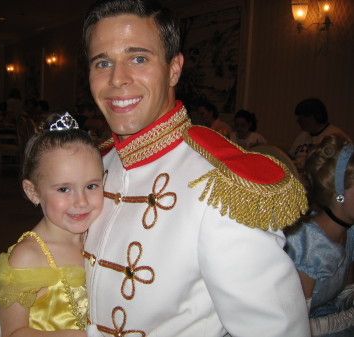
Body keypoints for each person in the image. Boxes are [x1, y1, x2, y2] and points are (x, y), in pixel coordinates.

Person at [81, 0, 310, 336]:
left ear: (174, 68)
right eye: (103, 62)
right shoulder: (94, 164)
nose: (117, 79)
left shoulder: (221, 185)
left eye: (138, 58)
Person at [0, 112, 104, 337]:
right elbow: (13, 332)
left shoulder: (98, 235)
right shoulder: (27, 257)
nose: (81, 201)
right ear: (33, 192)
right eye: (63, 189)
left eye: (91, 186)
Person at [285, 134, 354, 337]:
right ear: (338, 192)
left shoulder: (349, 233)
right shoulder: (308, 244)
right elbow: (293, 325)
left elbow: (345, 295)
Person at [288, 98, 349, 173]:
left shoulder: (336, 136)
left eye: (301, 117)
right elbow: (290, 157)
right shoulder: (303, 135)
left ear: (313, 117)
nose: (298, 121)